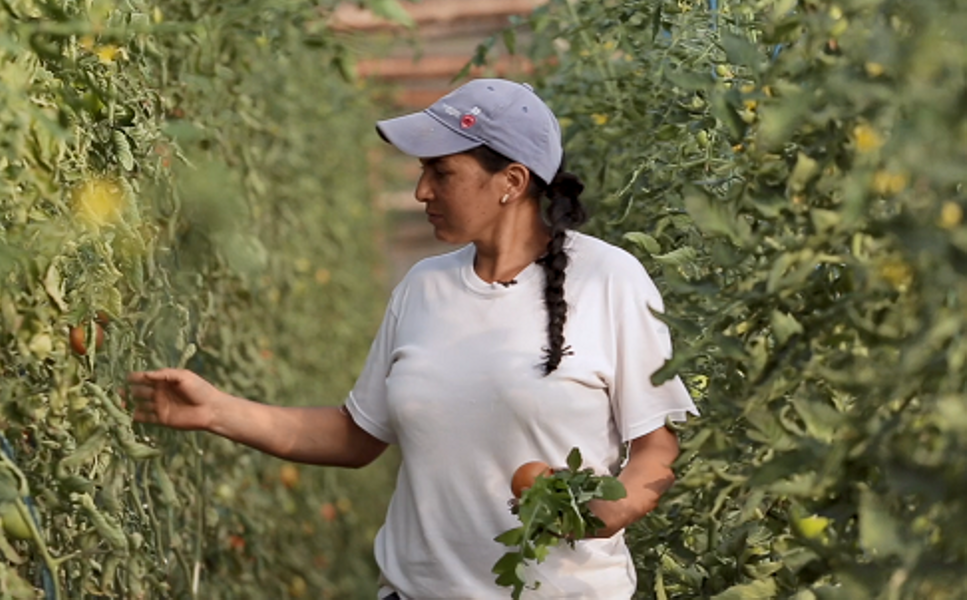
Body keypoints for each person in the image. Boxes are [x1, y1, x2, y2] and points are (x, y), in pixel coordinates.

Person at [128, 79, 699, 599]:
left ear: (512, 181)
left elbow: (656, 444)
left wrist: (608, 512)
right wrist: (217, 411)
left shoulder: (609, 279)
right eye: (422, 172)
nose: (422, 191)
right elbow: (358, 436)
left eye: (442, 172)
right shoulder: (422, 288)